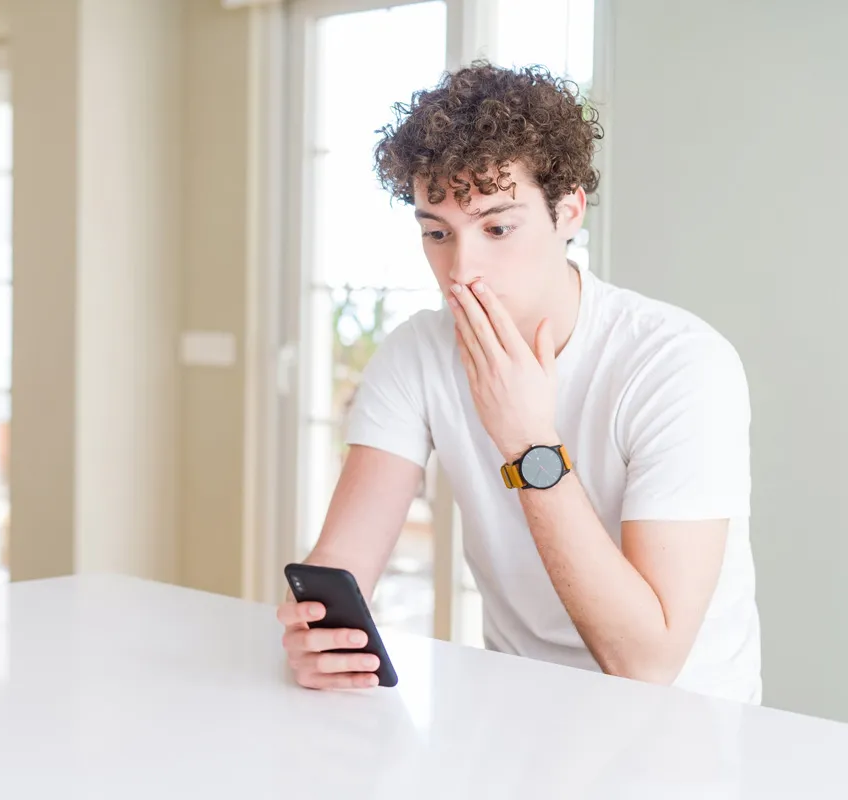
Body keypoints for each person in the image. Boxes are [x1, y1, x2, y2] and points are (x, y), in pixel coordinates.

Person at [277, 62, 761, 704]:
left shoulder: (680, 365)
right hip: (516, 704)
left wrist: (529, 444)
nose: (461, 269)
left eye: (497, 228)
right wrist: (316, 637)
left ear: (569, 212)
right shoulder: (417, 353)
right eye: (437, 233)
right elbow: (342, 565)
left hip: (684, 722)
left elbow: (646, 664)